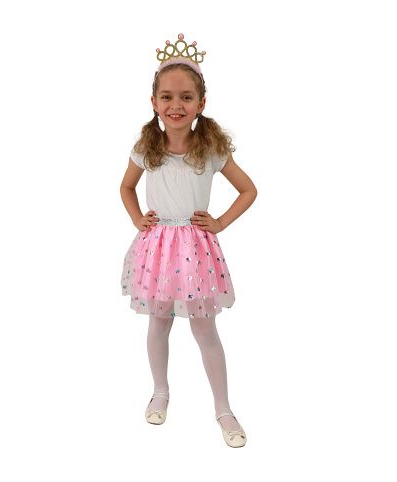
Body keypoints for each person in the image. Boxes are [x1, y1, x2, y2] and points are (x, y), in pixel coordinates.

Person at [119, 33, 257, 448]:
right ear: (154, 102)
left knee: (204, 328)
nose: (175, 105)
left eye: (186, 97)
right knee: (159, 321)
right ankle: (160, 392)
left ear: (201, 103)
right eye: (166, 97)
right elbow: (126, 187)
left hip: (195, 250)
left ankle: (223, 408)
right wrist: (138, 219)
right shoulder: (146, 148)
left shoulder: (210, 150)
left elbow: (248, 190)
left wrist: (220, 222)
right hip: (158, 248)